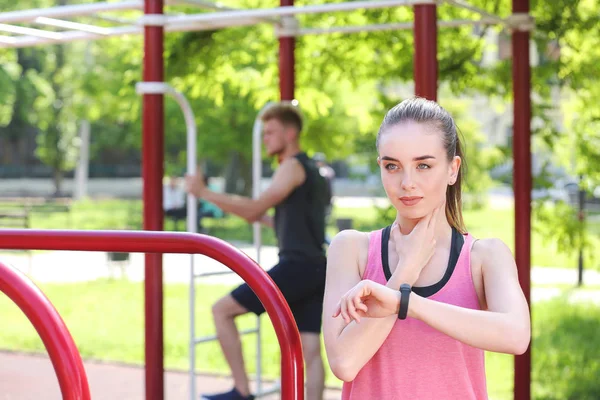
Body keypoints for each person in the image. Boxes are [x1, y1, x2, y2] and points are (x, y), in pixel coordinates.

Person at [322, 97, 531, 399]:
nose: (407, 182)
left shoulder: (483, 257)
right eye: (392, 166)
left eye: (423, 165)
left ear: (452, 169)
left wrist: (404, 303)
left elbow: (516, 336)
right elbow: (344, 362)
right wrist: (406, 269)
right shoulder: (351, 249)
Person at [185, 104, 329, 400]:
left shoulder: (291, 167)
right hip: (316, 267)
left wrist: (203, 193)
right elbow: (283, 217)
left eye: (271, 132)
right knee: (310, 349)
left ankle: (241, 390)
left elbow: (254, 208)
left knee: (222, 310)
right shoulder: (312, 170)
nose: (265, 138)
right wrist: (259, 216)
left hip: (296, 266)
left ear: (290, 134)